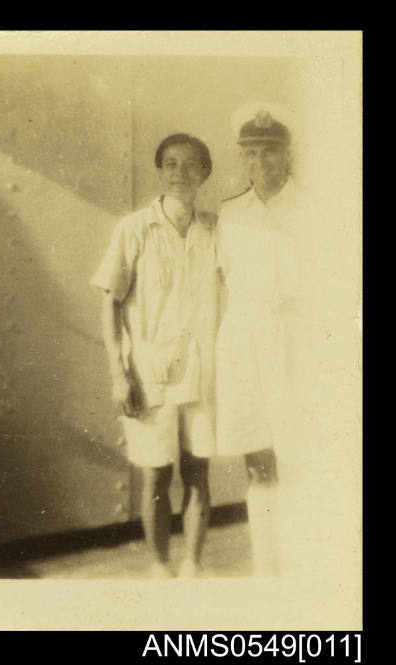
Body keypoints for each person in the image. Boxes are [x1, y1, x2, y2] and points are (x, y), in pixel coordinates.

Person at [91, 134, 218, 578]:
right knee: (157, 477)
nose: (181, 173)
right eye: (171, 164)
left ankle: (193, 567)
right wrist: (118, 373)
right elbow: (110, 303)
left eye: (191, 164)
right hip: (149, 373)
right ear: (160, 172)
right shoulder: (133, 228)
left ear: (205, 172)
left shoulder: (215, 230)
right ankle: (161, 569)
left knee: (199, 472)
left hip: (202, 371)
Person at [216, 107, 308, 576]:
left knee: (300, 459)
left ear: (287, 155)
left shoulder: (316, 209)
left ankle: (304, 567)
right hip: (244, 345)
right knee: (258, 460)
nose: (259, 163)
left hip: (299, 343)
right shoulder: (231, 213)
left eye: (269, 152)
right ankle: (268, 571)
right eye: (250, 154)